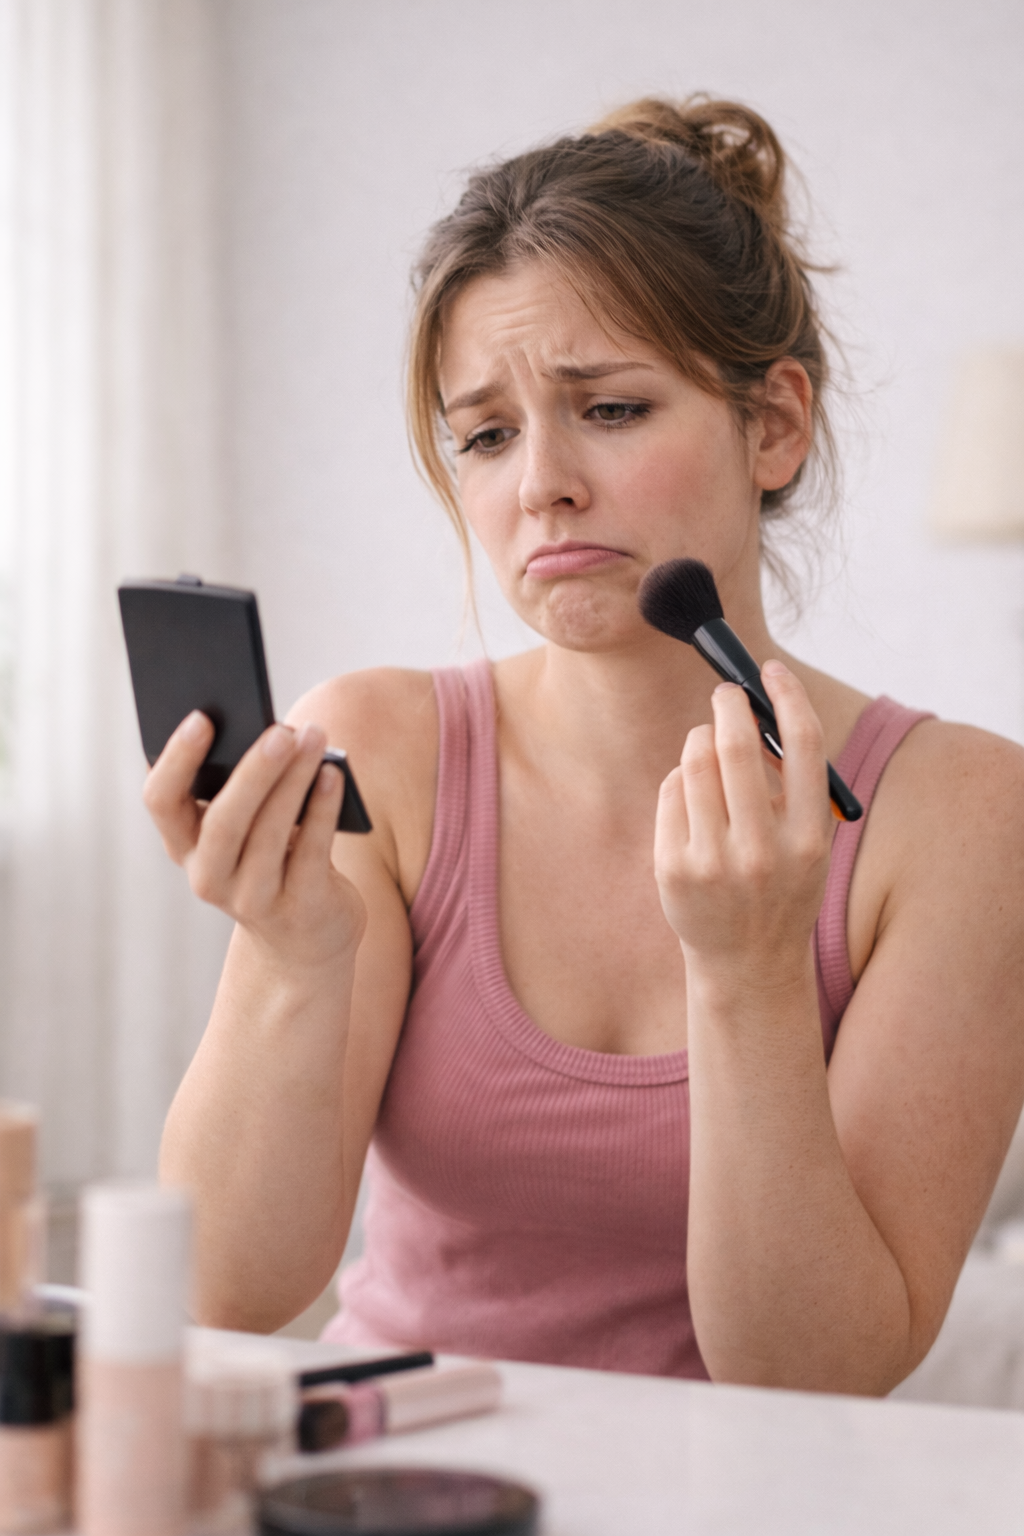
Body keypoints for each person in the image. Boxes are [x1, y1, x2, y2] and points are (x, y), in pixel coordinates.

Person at [150, 97, 1024, 1393]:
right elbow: (226, 1286)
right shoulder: (381, 747)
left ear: (773, 425)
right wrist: (293, 954)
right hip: (400, 1484)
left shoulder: (959, 814)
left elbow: (813, 1374)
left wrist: (749, 975)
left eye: (609, 409)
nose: (539, 483)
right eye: (486, 435)